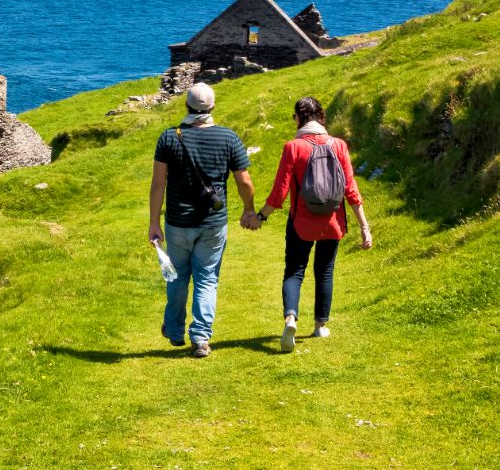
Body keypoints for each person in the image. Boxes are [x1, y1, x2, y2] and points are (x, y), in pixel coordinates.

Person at [247, 97, 373, 353]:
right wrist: (364, 227)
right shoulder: (339, 145)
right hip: (333, 222)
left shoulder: (293, 147)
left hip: (301, 222)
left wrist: (260, 217)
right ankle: (320, 325)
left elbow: (279, 193)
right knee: (324, 271)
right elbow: (351, 190)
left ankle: (291, 318)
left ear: (298, 118)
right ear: (321, 117)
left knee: (294, 271)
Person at [149, 82, 257, 358]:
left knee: (177, 276)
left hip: (177, 222)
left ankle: (174, 331)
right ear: (212, 108)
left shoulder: (169, 138)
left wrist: (154, 222)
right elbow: (244, 181)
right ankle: (200, 338)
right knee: (207, 278)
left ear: (186, 105)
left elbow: (158, 184)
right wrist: (249, 209)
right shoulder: (228, 138)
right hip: (213, 223)